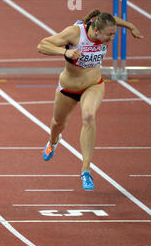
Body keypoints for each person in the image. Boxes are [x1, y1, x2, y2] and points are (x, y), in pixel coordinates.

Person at [37, 10, 143, 191]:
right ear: (96, 30)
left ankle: (86, 170)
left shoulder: (104, 26)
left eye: (114, 34)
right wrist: (64, 52)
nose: (112, 38)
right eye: (109, 35)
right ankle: (53, 142)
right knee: (57, 123)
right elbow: (42, 45)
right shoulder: (74, 33)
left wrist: (131, 26)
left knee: (88, 116)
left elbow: (113, 20)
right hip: (68, 88)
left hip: (93, 84)